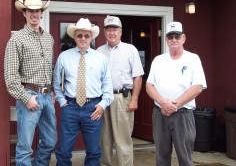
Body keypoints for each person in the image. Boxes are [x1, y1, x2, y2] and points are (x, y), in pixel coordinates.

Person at [4, 0, 57, 166]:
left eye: (37, 10)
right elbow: (11, 77)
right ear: (24, 13)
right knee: (25, 146)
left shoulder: (49, 39)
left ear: (42, 12)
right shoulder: (16, 39)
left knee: (50, 141)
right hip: (29, 95)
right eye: (30, 11)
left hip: (47, 97)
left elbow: (50, 68)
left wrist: (52, 91)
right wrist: (26, 99)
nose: (34, 14)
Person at [53, 18, 114, 166]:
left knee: (93, 151)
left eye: (87, 36)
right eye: (79, 35)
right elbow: (56, 83)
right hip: (70, 107)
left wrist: (101, 106)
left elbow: (107, 86)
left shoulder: (101, 58)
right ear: (74, 37)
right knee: (64, 151)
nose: (83, 39)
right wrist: (62, 102)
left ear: (91, 37)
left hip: (93, 108)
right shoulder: (64, 57)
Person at [146, 21, 207, 166]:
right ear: (166, 39)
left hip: (183, 115)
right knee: (161, 156)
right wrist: (162, 102)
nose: (174, 40)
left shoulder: (193, 58)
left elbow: (198, 86)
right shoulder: (158, 60)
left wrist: (175, 104)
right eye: (170, 37)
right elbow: (149, 85)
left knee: (185, 157)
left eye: (177, 36)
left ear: (183, 38)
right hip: (160, 114)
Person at [97, 16, 144, 166]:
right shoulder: (99, 51)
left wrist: (134, 98)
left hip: (122, 98)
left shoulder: (130, 50)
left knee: (123, 140)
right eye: (109, 30)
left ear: (120, 31)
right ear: (104, 32)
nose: (112, 33)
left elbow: (138, 76)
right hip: (103, 99)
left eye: (115, 29)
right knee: (104, 139)